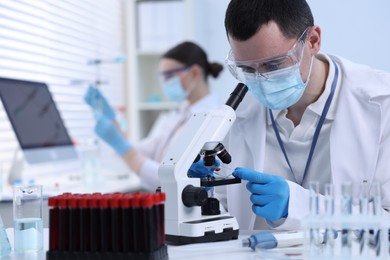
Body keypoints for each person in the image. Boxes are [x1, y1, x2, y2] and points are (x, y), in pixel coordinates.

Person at [209, 0, 390, 231]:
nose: (261, 80)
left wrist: (299, 206)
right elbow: (223, 215)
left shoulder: (382, 103)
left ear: (313, 41)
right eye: (247, 69)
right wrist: (196, 195)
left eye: (274, 65)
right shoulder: (238, 114)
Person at [85, 41, 223, 191]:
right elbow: (144, 151)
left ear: (195, 72)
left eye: (169, 76)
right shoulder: (179, 114)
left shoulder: (211, 120)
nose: (165, 84)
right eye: (162, 78)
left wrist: (120, 145)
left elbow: (175, 181)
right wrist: (111, 119)